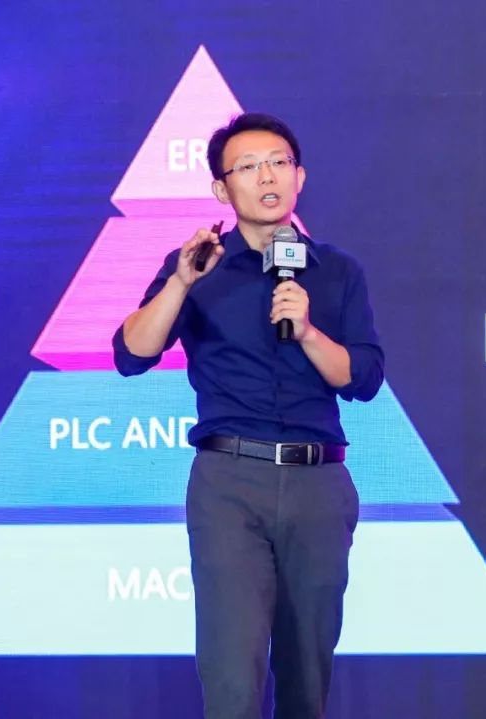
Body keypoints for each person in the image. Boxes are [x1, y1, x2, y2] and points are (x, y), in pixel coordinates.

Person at [113, 112, 383, 718]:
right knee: (233, 675)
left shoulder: (337, 271)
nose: (267, 176)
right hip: (230, 484)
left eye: (279, 163)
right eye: (249, 166)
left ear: (300, 177)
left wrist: (308, 331)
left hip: (318, 483)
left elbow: (363, 379)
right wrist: (181, 283)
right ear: (221, 189)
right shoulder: (197, 265)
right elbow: (131, 355)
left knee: (306, 681)